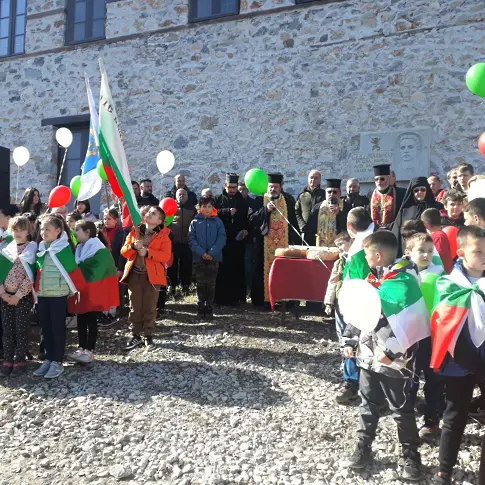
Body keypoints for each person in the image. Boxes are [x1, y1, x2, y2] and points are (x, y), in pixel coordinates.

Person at [342, 231, 424, 481]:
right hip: (368, 356)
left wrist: (392, 351)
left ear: (377, 255)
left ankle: (410, 456)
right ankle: (363, 447)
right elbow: (360, 310)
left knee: (401, 409)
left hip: (394, 362)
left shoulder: (405, 281)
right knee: (367, 405)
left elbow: (412, 322)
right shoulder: (373, 278)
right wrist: (350, 339)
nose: (366, 260)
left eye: (367, 255)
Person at [429, 226, 485, 485]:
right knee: (454, 415)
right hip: (459, 362)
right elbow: (446, 328)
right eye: (478, 252)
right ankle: (444, 469)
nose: (484, 256)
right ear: (461, 253)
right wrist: (474, 363)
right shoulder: (449, 284)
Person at [33, 214, 86, 379]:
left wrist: (71, 291)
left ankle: (57, 361)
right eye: (42, 229)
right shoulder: (41, 248)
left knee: (57, 328)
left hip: (57, 296)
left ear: (58, 230)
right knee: (46, 328)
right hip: (43, 295)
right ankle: (48, 358)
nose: (43, 232)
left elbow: (71, 272)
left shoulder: (63, 249)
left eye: (47, 229)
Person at [120, 206, 171, 350]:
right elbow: (124, 251)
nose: (149, 214)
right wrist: (133, 247)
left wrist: (148, 252)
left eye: (153, 213)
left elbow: (165, 256)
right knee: (135, 306)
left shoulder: (163, 237)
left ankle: (148, 335)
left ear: (159, 221)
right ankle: (135, 334)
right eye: (148, 212)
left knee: (150, 306)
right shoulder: (135, 231)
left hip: (152, 277)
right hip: (135, 275)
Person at [67, 221, 118, 364]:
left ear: (88, 232)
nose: (75, 233)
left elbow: (99, 270)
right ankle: (81, 348)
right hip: (82, 291)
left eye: (77, 230)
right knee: (81, 320)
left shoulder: (99, 249)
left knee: (91, 321)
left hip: (94, 291)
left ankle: (89, 350)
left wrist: (80, 269)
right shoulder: (79, 248)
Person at [248, 173, 300, 307]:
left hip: (284, 243)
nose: (272, 189)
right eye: (270, 187)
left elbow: (293, 222)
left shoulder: (288, 201)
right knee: (261, 271)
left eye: (275, 187)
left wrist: (296, 240)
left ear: (281, 187)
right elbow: (252, 219)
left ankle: (284, 300)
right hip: (263, 244)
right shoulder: (260, 200)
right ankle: (264, 301)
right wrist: (265, 210)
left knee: (284, 271)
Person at [323, 231, 358, 404]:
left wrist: (342, 276)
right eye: (337, 246)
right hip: (340, 304)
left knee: (353, 341)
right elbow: (331, 285)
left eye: (341, 244)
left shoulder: (359, 259)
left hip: (354, 305)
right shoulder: (339, 262)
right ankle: (348, 374)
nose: (340, 249)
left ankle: (354, 381)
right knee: (342, 339)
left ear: (352, 240)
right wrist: (328, 302)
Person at [0, 216, 36, 377]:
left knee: (21, 329)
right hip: (5, 297)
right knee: (7, 330)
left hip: (22, 298)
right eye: (15, 230)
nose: (19, 233)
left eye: (22, 229)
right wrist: (3, 293)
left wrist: (19, 295)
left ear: (28, 231)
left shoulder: (31, 250)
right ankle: (8, 360)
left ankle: (19, 361)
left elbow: (30, 277)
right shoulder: (6, 250)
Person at [188, 196, 226, 321]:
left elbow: (221, 238)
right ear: (200, 208)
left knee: (211, 283)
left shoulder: (218, 222)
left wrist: (212, 253)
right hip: (199, 258)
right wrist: (201, 253)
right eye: (204, 206)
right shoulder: (194, 222)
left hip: (213, 258)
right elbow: (191, 239)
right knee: (200, 283)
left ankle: (209, 307)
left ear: (213, 207)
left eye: (209, 206)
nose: (207, 209)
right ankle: (200, 307)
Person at [214, 173, 249, 306]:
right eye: (230, 187)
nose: (232, 190)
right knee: (222, 269)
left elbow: (247, 218)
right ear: (225, 186)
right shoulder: (218, 199)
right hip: (221, 240)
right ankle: (221, 298)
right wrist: (226, 211)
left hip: (237, 241)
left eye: (234, 187)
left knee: (237, 268)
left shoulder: (242, 201)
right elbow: (211, 212)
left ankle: (237, 298)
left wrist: (246, 230)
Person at [391, 176, 443, 254]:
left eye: (422, 189)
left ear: (427, 190)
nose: (419, 192)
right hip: (409, 249)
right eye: (416, 190)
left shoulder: (437, 207)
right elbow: (397, 230)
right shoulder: (405, 209)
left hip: (431, 249)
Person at [167, 188, 196, 298]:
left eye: (184, 194)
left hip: (187, 242)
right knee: (172, 265)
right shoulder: (171, 208)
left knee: (186, 265)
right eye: (179, 194)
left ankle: (185, 286)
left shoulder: (192, 209)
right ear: (176, 196)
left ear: (187, 196)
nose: (181, 196)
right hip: (173, 242)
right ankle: (172, 286)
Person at [304, 179, 349, 247]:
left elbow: (349, 227)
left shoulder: (346, 207)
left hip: (340, 247)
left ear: (340, 193)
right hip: (320, 246)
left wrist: (339, 214)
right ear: (325, 193)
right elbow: (310, 229)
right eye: (329, 192)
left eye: (335, 192)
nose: (331, 194)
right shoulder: (317, 207)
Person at [100, 208, 126, 324]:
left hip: (115, 264)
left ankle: (115, 311)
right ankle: (104, 311)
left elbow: (122, 252)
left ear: (116, 220)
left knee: (115, 289)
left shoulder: (121, 233)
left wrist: (120, 268)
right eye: (104, 218)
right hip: (103, 266)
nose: (106, 221)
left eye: (109, 219)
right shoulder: (100, 232)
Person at [421, 208, 453, 274]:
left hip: (440, 275)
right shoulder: (440, 235)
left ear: (426, 225)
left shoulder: (438, 237)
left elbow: (438, 259)